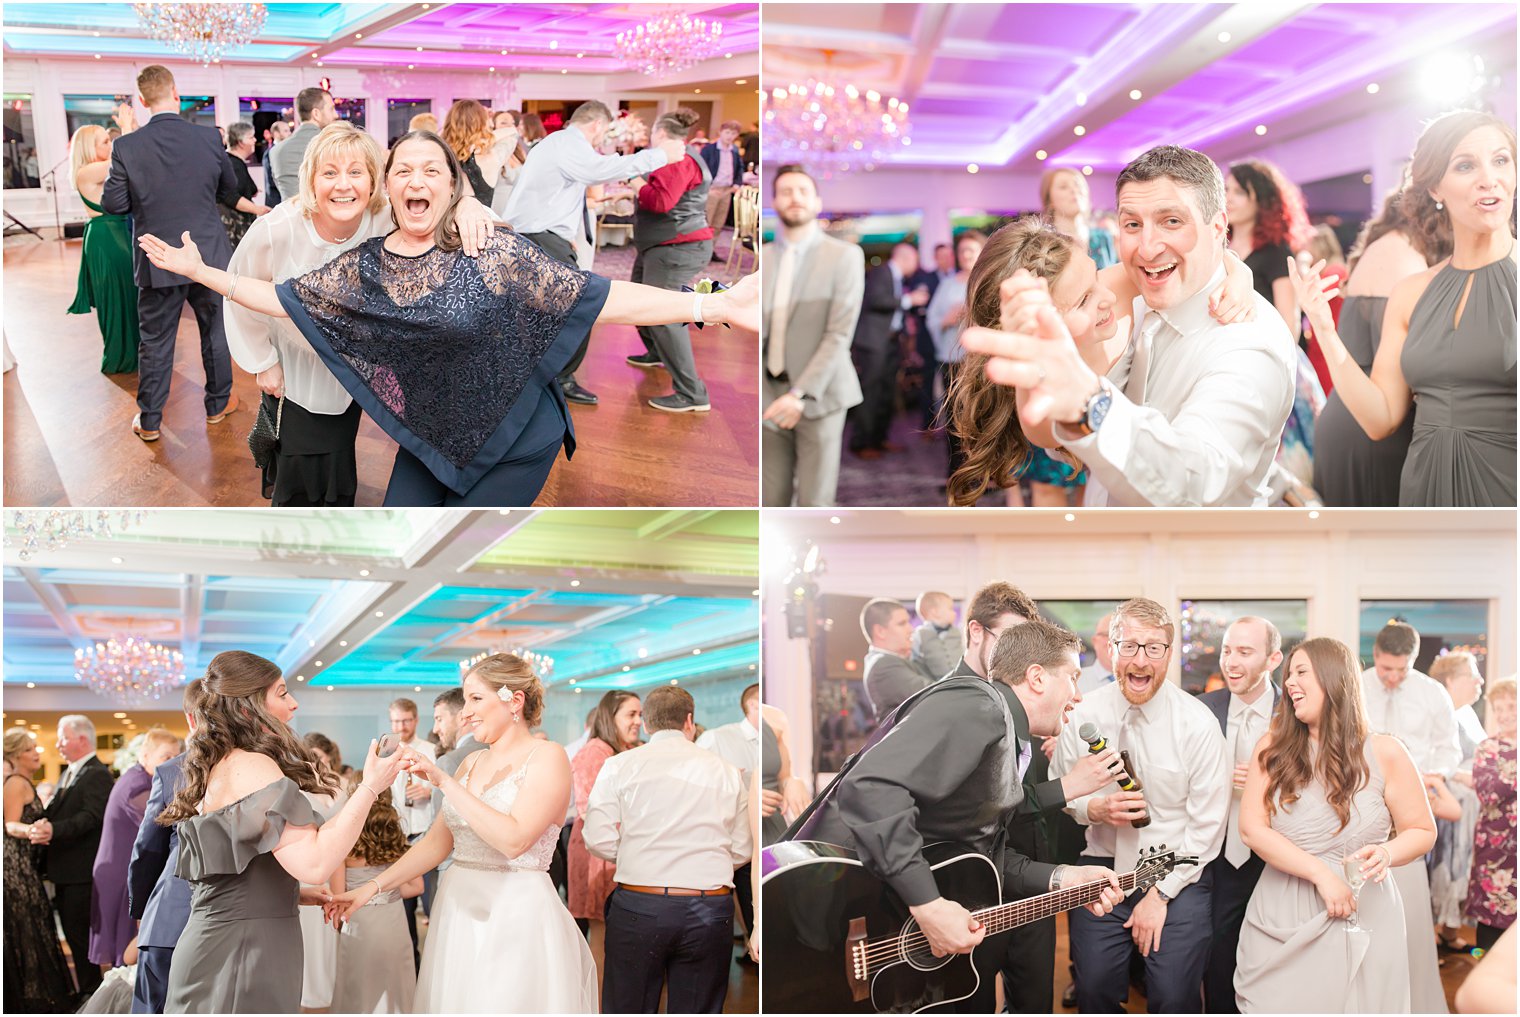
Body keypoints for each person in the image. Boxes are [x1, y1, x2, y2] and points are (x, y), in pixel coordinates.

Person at [138, 129, 758, 508]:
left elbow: (598, 299)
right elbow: (279, 297)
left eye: (430, 170)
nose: (415, 179)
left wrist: (713, 304)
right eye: (403, 169)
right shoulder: (368, 264)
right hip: (432, 438)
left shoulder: (485, 246)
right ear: (390, 186)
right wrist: (201, 273)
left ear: (451, 186)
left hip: (518, 434)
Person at [797, 598, 1123, 1012]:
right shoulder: (980, 705)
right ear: (1037, 678)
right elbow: (870, 785)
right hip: (831, 911)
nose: (1078, 696)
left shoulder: (1003, 726)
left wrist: (1062, 878)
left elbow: (978, 857)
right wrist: (929, 905)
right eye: (1073, 678)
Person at [959, 146, 1295, 506]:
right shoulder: (1143, 290)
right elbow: (1046, 433)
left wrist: (1091, 405)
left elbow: (1194, 480)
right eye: (1132, 224)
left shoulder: (1246, 346)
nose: (1147, 249)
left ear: (1217, 227)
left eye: (1172, 221)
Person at [228, 122, 495, 507]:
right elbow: (238, 289)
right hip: (296, 363)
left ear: (374, 182)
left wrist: (466, 202)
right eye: (330, 173)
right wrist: (263, 361)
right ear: (311, 180)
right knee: (302, 458)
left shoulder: (383, 215)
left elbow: (443, 210)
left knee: (335, 449)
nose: (343, 185)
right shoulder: (278, 228)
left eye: (356, 173)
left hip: (351, 367)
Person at [328, 653, 598, 1013]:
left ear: (514, 701)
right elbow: (436, 844)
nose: (465, 713)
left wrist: (442, 780)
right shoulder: (472, 762)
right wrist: (370, 888)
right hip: (457, 910)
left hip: (515, 912)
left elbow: (514, 840)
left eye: (476, 699)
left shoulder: (547, 757)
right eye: (465, 700)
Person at [153, 651, 402, 1013]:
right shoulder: (255, 765)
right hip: (245, 949)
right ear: (248, 707)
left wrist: (291, 893)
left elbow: (232, 871)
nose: (294, 703)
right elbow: (316, 863)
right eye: (282, 693)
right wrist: (370, 787)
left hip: (223, 941)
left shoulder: (219, 763)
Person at [1289, 109, 1516, 506]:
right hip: (1424, 490)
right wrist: (1325, 330)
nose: (1489, 178)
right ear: (1435, 190)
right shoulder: (1411, 292)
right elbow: (1380, 419)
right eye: (1465, 165)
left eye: (1501, 160)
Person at [940, 589, 1126, 1015]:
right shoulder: (952, 704)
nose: (1015, 654)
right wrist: (1069, 785)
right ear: (976, 632)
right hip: (975, 887)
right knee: (973, 1000)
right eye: (1008, 637)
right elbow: (980, 808)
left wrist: (1053, 745)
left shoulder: (1028, 703)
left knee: (1035, 1000)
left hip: (1033, 877)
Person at [1234, 637, 1437, 1012]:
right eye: (1288, 673)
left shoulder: (1387, 752)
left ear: (1334, 678)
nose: (1289, 683)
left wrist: (1387, 852)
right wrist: (1322, 875)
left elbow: (1422, 831)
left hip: (1366, 909)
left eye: (1301, 672)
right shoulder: (1271, 748)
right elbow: (1252, 830)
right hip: (1283, 909)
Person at [1050, 597, 1231, 1014]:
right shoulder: (1082, 714)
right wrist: (1092, 810)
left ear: (1168, 654)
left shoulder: (1198, 724)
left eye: (1153, 648)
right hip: (1101, 872)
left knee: (1174, 996)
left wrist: (1160, 895)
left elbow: (1208, 826)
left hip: (1177, 875)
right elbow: (1061, 789)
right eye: (1128, 645)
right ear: (1110, 649)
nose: (1140, 659)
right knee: (1092, 990)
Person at [102, 65, 264, 443]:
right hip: (206, 254)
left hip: (157, 258)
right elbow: (228, 187)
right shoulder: (208, 138)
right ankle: (217, 405)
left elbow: (113, 203)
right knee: (215, 331)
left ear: (141, 101)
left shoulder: (126, 146)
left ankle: (152, 419)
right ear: (175, 92)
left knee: (156, 341)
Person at [503, 100, 684, 406]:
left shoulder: (558, 143)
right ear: (598, 124)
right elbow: (600, 170)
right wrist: (660, 156)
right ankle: (559, 379)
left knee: (554, 310)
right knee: (583, 306)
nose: (602, 141)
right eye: (604, 132)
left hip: (540, 235)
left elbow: (559, 195)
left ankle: (541, 377)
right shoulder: (568, 143)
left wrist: (565, 237)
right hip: (538, 236)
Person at [583, 686, 751, 1013]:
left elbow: (597, 837)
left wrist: (639, 852)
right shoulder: (727, 771)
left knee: (628, 1006)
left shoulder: (620, 765)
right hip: (709, 907)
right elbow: (742, 847)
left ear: (647, 723)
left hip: (639, 903)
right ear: (689, 721)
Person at [1309, 186, 1437, 506]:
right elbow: (1411, 365)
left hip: (1348, 416)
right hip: (1371, 427)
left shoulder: (1382, 248)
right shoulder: (1401, 257)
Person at [761, 164, 866, 506]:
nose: (795, 198)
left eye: (803, 191)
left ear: (817, 202)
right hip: (768, 394)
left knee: (814, 503)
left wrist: (799, 394)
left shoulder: (845, 256)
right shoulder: (763, 258)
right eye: (786, 191)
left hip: (819, 396)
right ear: (774, 201)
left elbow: (839, 333)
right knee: (771, 500)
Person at [1196, 617, 1281, 1014]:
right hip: (1216, 857)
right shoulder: (1201, 710)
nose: (1231, 661)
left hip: (1278, 858)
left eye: (1245, 652)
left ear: (1272, 659)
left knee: (1275, 963)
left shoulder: (1294, 715)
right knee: (1217, 960)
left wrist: (1271, 785)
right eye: (1228, 650)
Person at [627, 108, 716, 413]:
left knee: (664, 315)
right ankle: (656, 352)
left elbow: (661, 202)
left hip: (678, 246)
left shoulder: (676, 159)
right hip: (662, 245)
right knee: (638, 299)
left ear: (661, 134)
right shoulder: (685, 155)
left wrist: (634, 181)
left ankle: (693, 394)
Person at [127, 680, 203, 1014]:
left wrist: (142, 909)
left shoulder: (173, 771)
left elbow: (147, 849)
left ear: (190, 719)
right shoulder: (259, 770)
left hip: (171, 917)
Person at [30, 714, 115, 998]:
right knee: (74, 936)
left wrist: (53, 830)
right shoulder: (70, 772)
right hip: (65, 871)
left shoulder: (97, 774)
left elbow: (92, 818)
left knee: (80, 939)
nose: (58, 744)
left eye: (63, 737)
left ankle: (91, 995)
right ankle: (86, 992)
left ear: (82, 739)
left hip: (80, 872)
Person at [90, 729, 182, 972]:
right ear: (145, 755)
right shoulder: (139, 785)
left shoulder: (137, 778)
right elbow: (161, 823)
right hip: (122, 871)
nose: (173, 761)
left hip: (119, 865)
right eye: (166, 756)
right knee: (124, 942)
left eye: (177, 755)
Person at [3, 727, 76, 1013]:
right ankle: (30, 998)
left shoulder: (23, 781)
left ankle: (34, 995)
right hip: (15, 867)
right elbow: (9, 825)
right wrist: (33, 829)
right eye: (31, 749)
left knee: (34, 926)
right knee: (27, 927)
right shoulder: (16, 783)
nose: (37, 753)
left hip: (25, 865)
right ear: (16, 754)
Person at [330, 789, 421, 1014]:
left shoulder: (344, 849)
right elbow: (417, 887)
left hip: (359, 920)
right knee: (395, 980)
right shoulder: (398, 848)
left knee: (359, 984)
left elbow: (338, 895)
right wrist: (385, 891)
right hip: (393, 919)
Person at [66, 123, 139, 373]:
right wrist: (128, 128)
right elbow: (128, 155)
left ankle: (132, 353)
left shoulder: (97, 172)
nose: (110, 145)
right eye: (104, 142)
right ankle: (121, 357)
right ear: (89, 148)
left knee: (127, 296)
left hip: (114, 236)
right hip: (106, 240)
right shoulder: (86, 172)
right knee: (116, 298)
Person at [569, 690, 642, 936]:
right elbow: (590, 809)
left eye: (640, 714)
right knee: (604, 935)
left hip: (624, 849)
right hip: (598, 853)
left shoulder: (626, 750)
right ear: (610, 718)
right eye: (631, 714)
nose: (638, 721)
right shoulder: (595, 751)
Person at [1429, 652, 1487, 952]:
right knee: (1445, 870)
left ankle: (1449, 935)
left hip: (1471, 810)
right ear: (1450, 680)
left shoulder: (1466, 713)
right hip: (1447, 809)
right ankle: (1432, 939)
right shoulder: (1440, 715)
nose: (1479, 680)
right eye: (1471, 674)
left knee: (1462, 870)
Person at [851, 241, 928, 459]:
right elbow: (876, 300)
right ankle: (861, 442)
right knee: (871, 392)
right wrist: (908, 299)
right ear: (904, 258)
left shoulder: (898, 278)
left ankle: (879, 438)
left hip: (891, 342)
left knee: (886, 392)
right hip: (873, 341)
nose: (917, 265)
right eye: (915, 260)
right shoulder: (881, 272)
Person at [697, 683, 762, 939]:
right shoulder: (717, 738)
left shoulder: (774, 736)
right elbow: (692, 779)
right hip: (728, 844)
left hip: (763, 840)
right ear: (753, 704)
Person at [924, 231, 985, 482]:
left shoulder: (988, 281)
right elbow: (932, 318)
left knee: (982, 417)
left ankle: (984, 473)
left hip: (982, 361)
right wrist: (947, 320)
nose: (967, 255)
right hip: (952, 361)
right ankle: (957, 474)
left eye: (972, 250)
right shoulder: (948, 284)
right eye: (963, 251)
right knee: (954, 418)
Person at [1465, 677, 1516, 953]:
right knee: (1491, 920)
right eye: (1499, 708)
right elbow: (1488, 793)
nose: (1505, 714)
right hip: (1496, 852)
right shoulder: (1488, 748)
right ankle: (1485, 981)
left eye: (1511, 705)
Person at [386, 697, 437, 970]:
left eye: (405, 720)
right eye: (395, 721)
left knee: (432, 907)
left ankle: (434, 968)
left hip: (427, 837)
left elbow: (445, 786)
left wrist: (429, 791)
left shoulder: (431, 749)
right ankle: (411, 970)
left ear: (416, 720)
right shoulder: (386, 752)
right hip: (398, 839)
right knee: (403, 913)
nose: (400, 726)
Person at [859, 597, 924, 719]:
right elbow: (933, 694)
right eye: (902, 623)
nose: (911, 629)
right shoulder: (883, 665)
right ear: (880, 631)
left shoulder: (891, 661)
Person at [271, 87, 338, 206]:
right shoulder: (331, 145)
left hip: (288, 219)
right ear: (316, 113)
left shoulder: (276, 151)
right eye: (331, 109)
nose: (336, 115)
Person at [441, 98, 501, 207]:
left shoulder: (442, 154)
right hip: (481, 221)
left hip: (445, 220)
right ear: (482, 122)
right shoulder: (486, 154)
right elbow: (512, 133)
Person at [218, 121, 266, 250]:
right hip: (236, 226)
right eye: (251, 137)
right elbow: (231, 196)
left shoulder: (233, 162)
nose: (255, 140)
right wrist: (258, 209)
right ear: (240, 142)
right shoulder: (234, 164)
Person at [700, 119, 745, 252]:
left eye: (733, 133)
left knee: (719, 223)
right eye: (727, 132)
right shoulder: (709, 149)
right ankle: (700, 251)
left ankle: (710, 250)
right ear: (720, 132)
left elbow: (739, 169)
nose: (729, 136)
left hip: (727, 190)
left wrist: (737, 184)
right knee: (706, 221)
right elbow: (701, 169)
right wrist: (706, 188)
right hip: (712, 190)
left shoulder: (735, 151)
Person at [910, 589, 963, 680]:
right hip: (936, 683)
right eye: (950, 609)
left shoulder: (957, 632)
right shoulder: (919, 635)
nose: (954, 613)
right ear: (935, 612)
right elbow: (913, 660)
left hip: (962, 679)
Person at [260, 119, 292, 207]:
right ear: (276, 133)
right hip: (276, 201)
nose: (289, 134)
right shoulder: (269, 153)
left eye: (289, 130)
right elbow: (271, 179)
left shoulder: (288, 151)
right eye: (285, 131)